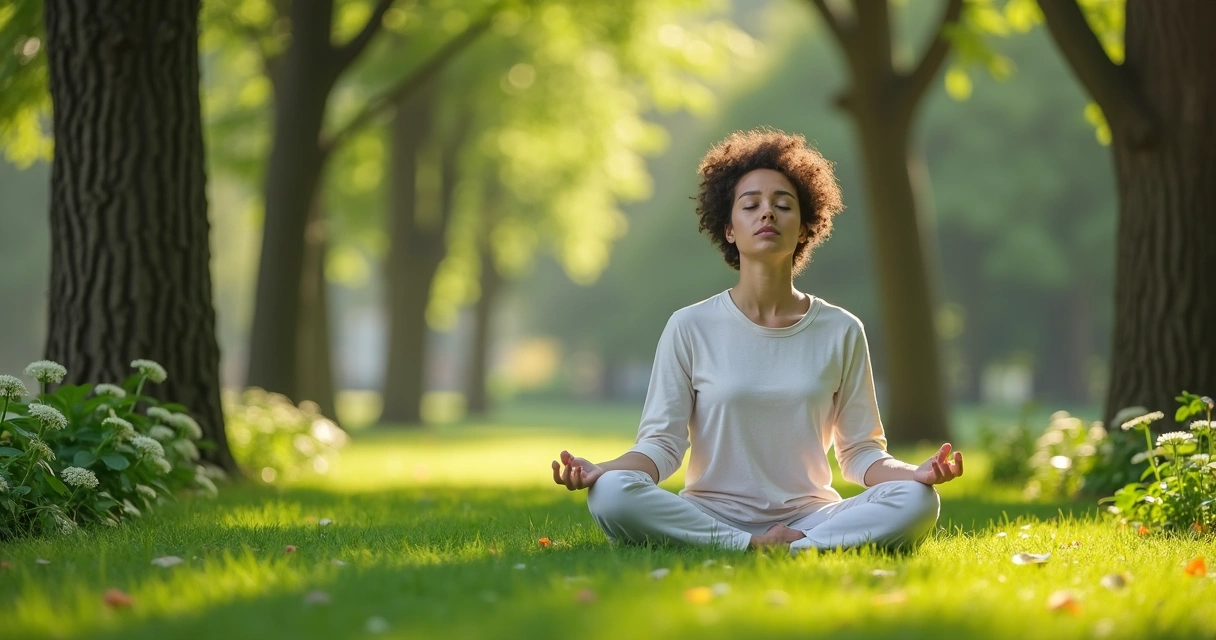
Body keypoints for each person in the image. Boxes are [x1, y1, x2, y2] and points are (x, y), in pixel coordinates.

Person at [550, 128, 963, 554]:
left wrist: (915, 474)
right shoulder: (689, 326)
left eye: (783, 205)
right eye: (751, 205)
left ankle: (799, 545)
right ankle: (748, 543)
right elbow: (661, 445)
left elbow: (860, 452)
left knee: (918, 500)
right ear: (729, 229)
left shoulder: (841, 329)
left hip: (811, 515)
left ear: (803, 228)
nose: (767, 213)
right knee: (611, 493)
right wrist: (602, 470)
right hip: (710, 513)